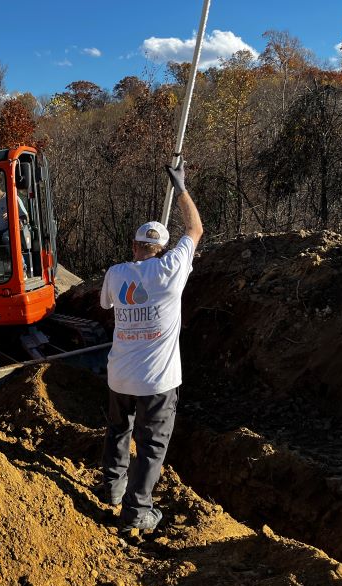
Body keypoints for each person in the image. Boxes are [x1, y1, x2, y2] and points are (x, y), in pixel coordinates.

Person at [97, 158, 203, 532]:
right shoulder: (171, 269)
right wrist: (181, 187)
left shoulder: (117, 273)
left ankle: (112, 488)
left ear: (135, 246)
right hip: (157, 382)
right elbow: (195, 228)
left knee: (118, 431)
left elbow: (107, 304)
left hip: (119, 376)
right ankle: (137, 510)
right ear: (161, 247)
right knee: (152, 446)